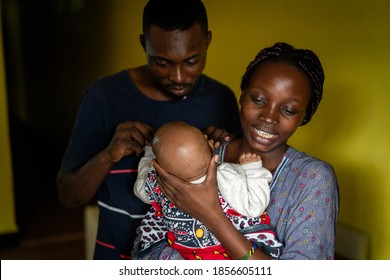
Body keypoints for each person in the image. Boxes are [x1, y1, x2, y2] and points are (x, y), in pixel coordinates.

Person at [56, 0, 241, 260]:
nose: (178, 76)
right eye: (162, 63)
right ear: (144, 44)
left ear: (208, 41)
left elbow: (236, 192)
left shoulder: (220, 99)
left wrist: (227, 151)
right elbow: (69, 196)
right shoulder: (104, 97)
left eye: (191, 61)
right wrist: (108, 155)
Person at [151, 42, 340, 260]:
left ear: (304, 116)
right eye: (258, 99)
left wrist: (211, 215)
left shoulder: (314, 179)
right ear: (242, 95)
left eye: (288, 110)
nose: (269, 117)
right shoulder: (199, 151)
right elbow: (153, 237)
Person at [132, 121, 282, 260]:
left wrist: (149, 154)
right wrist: (253, 170)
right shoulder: (227, 175)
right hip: (229, 252)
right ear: (211, 147)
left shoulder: (157, 182)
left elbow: (139, 189)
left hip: (186, 253)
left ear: (158, 165)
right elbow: (255, 206)